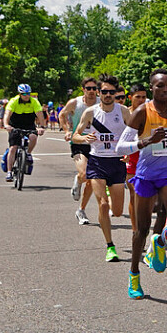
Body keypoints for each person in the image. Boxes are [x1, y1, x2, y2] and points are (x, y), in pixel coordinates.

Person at [116, 68, 167, 299]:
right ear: (151, 88)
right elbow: (120, 147)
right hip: (146, 175)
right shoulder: (142, 112)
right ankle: (134, 274)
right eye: (160, 86)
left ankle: (159, 240)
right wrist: (146, 141)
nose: (166, 90)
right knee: (140, 231)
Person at [72, 74, 132, 262]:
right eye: (104, 91)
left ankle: (108, 190)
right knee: (103, 205)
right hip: (97, 161)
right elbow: (75, 136)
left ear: (115, 93)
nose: (107, 95)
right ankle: (110, 246)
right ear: (99, 92)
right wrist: (84, 138)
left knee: (117, 211)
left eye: (111, 92)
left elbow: (134, 134)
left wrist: (129, 152)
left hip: (117, 162)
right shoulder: (90, 112)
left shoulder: (123, 112)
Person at [59, 77, 99, 225]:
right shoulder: (75, 103)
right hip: (79, 141)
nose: (92, 91)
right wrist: (67, 131)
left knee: (92, 180)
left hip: (96, 144)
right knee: (84, 174)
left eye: (94, 88)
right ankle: (78, 178)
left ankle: (81, 210)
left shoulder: (101, 102)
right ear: (83, 90)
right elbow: (62, 114)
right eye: (88, 88)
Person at [2, 84, 46, 182]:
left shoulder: (34, 101)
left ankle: (28, 153)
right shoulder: (14, 101)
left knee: (33, 137)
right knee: (13, 148)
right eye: (24, 94)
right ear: (20, 94)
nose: (27, 96)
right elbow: (7, 114)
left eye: (28, 93)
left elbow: (40, 115)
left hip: (29, 124)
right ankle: (9, 172)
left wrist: (42, 127)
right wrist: (6, 125)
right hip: (15, 125)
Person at [123, 84, 148, 236]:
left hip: (148, 157)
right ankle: (135, 231)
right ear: (130, 97)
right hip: (131, 158)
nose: (141, 100)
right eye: (138, 97)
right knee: (134, 194)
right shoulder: (125, 114)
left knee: (148, 198)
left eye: (144, 97)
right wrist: (124, 152)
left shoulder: (150, 112)